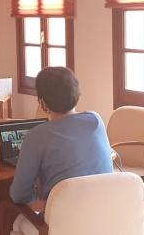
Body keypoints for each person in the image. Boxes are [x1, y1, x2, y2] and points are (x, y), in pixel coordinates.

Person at [10, 67, 113, 205]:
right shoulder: (96, 120)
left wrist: (40, 202)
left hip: (64, 221)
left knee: (12, 215)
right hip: (105, 213)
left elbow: (19, 195)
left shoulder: (36, 136)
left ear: (42, 103)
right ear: (77, 94)